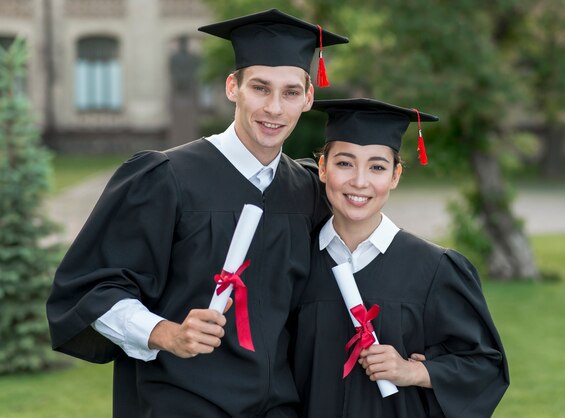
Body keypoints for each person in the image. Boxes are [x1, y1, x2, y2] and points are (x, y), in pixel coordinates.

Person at [46, 9, 348, 418]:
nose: (274, 108)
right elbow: (92, 291)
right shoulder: (165, 179)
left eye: (291, 92)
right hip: (180, 401)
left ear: (308, 98)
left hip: (279, 406)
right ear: (232, 87)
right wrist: (165, 333)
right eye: (260, 88)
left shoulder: (309, 191)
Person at [291, 98, 509, 417]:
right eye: (344, 163)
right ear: (323, 168)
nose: (360, 181)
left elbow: (484, 365)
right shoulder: (297, 261)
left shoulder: (434, 269)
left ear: (395, 176)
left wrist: (413, 372)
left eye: (377, 167)